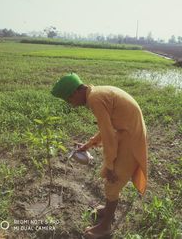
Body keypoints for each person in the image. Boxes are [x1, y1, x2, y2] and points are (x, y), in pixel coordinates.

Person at [51, 73, 148, 239]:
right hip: (127, 133)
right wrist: (88, 145)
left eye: (69, 100)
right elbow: (106, 128)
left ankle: (105, 226)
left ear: (75, 92)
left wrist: (110, 164)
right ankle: (107, 209)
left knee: (113, 181)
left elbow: (109, 134)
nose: (72, 105)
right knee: (110, 179)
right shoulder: (97, 93)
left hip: (130, 139)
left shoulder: (96, 99)